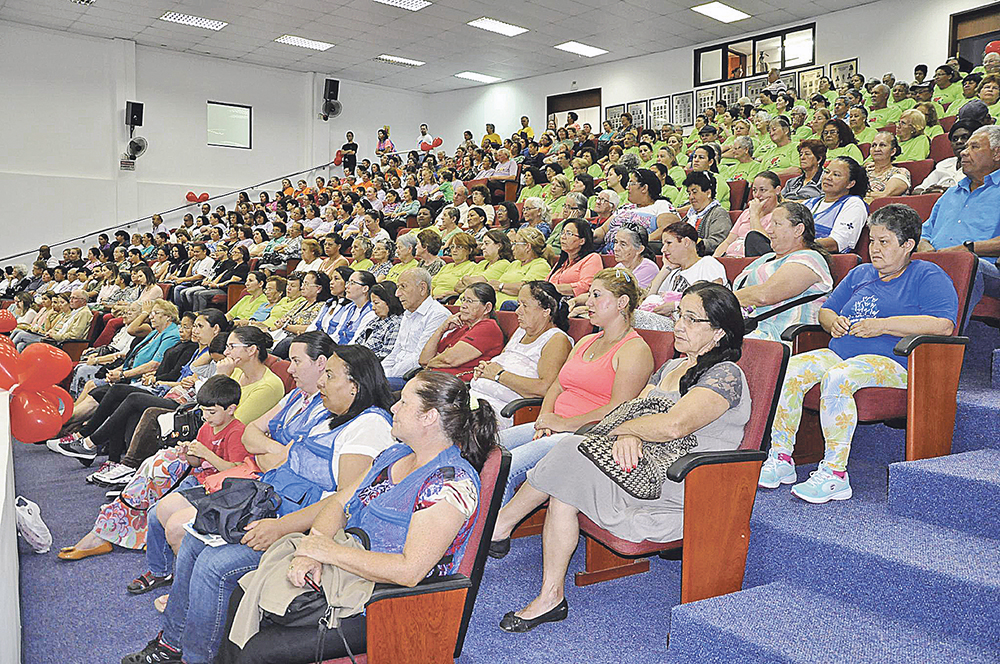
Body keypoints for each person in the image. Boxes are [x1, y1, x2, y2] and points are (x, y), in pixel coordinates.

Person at [492, 283, 750, 631]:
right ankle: (550, 596)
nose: (678, 325)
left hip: (682, 480)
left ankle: (501, 525)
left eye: (692, 319)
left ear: (719, 331)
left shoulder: (725, 374)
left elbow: (674, 425)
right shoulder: (671, 366)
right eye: (679, 315)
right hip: (638, 464)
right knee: (565, 488)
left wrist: (628, 430)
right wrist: (628, 432)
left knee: (569, 449)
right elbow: (631, 411)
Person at [123, 342, 396, 664]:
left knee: (214, 565)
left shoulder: (369, 427)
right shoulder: (332, 417)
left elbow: (344, 504)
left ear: (355, 386)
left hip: (301, 529)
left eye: (330, 375)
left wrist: (280, 528)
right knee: (195, 539)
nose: (321, 381)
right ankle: (171, 643)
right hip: (271, 506)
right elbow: (273, 458)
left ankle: (196, 657)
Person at [216, 370, 494, 664]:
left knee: (259, 651)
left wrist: (327, 552)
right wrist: (310, 553)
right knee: (246, 593)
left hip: (389, 602)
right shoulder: (395, 455)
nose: (394, 408)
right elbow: (338, 503)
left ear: (429, 417)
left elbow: (409, 571)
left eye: (404, 403)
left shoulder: (449, 484)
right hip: (350, 572)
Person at [759, 205, 958, 503]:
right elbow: (827, 310)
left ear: (907, 245)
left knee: (839, 376)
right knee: (790, 369)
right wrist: (832, 322)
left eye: (884, 242)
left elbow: (943, 325)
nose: (874, 248)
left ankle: (835, 473)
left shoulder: (927, 275)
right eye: (872, 241)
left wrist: (883, 325)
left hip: (897, 363)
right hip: (842, 353)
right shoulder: (861, 273)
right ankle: (781, 458)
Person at [491, 267, 654, 506]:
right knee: (487, 449)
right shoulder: (586, 341)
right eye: (590, 295)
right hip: (554, 426)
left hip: (584, 435)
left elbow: (618, 410)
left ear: (622, 303)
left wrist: (562, 424)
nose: (589, 302)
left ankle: (493, 528)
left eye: (597, 295)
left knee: (505, 466)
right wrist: (545, 419)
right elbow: (557, 386)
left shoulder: (635, 350)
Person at [56, 375, 248, 561]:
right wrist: (188, 452)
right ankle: (108, 528)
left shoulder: (236, 432)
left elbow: (238, 472)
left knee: (153, 482)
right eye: (204, 411)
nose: (205, 417)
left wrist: (206, 454)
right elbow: (195, 462)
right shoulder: (207, 427)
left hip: (213, 486)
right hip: (198, 477)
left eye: (211, 412)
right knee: (151, 470)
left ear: (231, 409)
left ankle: (113, 531)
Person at [918, 125, 1000, 312]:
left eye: (974, 147)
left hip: (985, 267)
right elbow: (925, 232)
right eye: (966, 147)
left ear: (997, 154)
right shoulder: (951, 193)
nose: (963, 152)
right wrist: (924, 246)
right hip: (939, 262)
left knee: (966, 265)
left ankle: (945, 329)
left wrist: (966, 249)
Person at [471, 281, 573, 430]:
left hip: (501, 412)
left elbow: (545, 388)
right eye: (518, 304)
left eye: (524, 305)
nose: (517, 311)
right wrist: (486, 369)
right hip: (475, 398)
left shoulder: (557, 339)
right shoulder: (521, 331)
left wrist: (499, 375)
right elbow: (502, 363)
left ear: (546, 311)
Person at [732, 201, 835, 342]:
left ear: (798, 230)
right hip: (746, 329)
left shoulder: (809, 259)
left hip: (778, 336)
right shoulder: (766, 258)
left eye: (777, 224)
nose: (769, 230)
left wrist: (723, 301)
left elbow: (765, 295)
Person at [636, 222, 726, 328]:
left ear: (686, 242)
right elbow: (648, 298)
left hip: (696, 325)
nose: (663, 249)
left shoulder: (708, 263)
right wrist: (666, 268)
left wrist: (676, 306)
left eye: (668, 243)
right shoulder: (673, 271)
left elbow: (715, 301)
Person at [419, 282, 504, 381]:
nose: (463, 305)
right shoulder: (462, 327)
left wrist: (430, 363)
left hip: (455, 384)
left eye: (469, 301)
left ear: (487, 308)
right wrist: (441, 330)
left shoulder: (488, 327)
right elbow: (423, 359)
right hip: (434, 378)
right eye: (463, 300)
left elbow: (448, 360)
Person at [381, 268, 451, 386]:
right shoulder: (408, 313)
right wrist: (379, 372)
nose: (397, 294)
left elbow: (418, 359)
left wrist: (386, 375)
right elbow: (396, 351)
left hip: (414, 377)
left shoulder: (438, 315)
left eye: (403, 287)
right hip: (394, 373)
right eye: (398, 287)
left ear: (422, 288)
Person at [594, 169, 678, 252]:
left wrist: (637, 244)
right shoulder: (625, 207)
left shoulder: (661, 205)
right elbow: (603, 230)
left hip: (638, 254)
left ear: (644, 188)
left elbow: (667, 229)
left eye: (631, 183)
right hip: (609, 252)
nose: (627, 187)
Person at [802, 156, 869, 253]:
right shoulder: (810, 203)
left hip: (822, 258)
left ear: (850, 184)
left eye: (836, 175)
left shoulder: (853, 204)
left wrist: (800, 245)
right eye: (827, 172)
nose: (828, 177)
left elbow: (835, 244)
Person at [716, 171, 782, 258]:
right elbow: (728, 242)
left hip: (752, 261)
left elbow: (764, 246)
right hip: (729, 258)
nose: (757, 195)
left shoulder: (781, 215)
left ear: (777, 190)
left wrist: (754, 215)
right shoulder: (747, 212)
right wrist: (714, 259)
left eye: (763, 190)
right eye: (754, 190)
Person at [913, 119, 975, 194]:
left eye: (964, 137)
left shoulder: (980, 166)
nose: (959, 142)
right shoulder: (943, 165)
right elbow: (918, 190)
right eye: (955, 139)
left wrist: (946, 192)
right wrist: (926, 193)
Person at [682, 171, 732, 254]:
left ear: (708, 193)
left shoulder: (719, 213)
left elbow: (718, 241)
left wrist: (693, 245)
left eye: (694, 192)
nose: (691, 197)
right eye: (689, 193)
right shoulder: (689, 215)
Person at [353, 282, 403, 360]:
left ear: (389, 302)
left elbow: (385, 356)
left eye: (376, 303)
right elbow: (357, 343)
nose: (373, 308)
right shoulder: (375, 321)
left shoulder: (396, 324)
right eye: (372, 303)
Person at [865, 132, 911, 200]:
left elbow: (885, 195)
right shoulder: (865, 172)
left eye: (882, 145)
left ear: (893, 151)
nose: (876, 149)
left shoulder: (900, 172)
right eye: (873, 145)